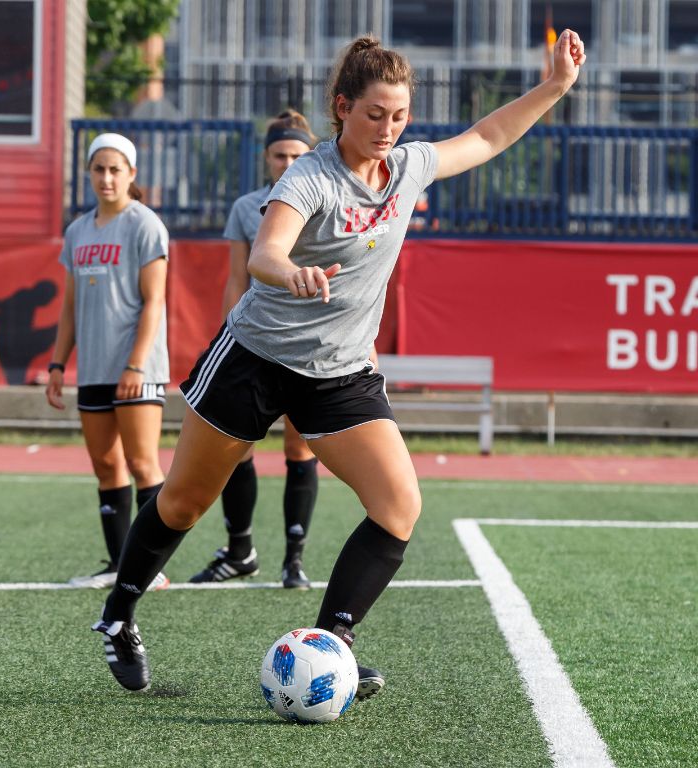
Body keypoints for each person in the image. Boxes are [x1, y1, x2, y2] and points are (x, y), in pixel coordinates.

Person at [90, 31, 586, 697]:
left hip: (341, 371)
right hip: (254, 359)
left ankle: (331, 645)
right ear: (342, 107)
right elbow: (267, 252)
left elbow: (489, 137)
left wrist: (554, 85)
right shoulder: (310, 175)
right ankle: (118, 617)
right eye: (375, 114)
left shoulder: (407, 168)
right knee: (181, 503)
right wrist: (288, 273)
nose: (388, 129)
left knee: (398, 505)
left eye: (400, 116)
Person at [188, 110, 320, 590]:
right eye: (281, 155)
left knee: (299, 445)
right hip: (257, 345)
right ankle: (241, 549)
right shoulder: (247, 208)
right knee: (235, 446)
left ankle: (295, 560)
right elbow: (236, 280)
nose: (288, 163)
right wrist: (226, 335)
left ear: (312, 155)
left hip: (310, 346)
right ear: (266, 158)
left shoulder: (325, 200)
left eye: (298, 155)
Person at [46, 133, 170, 592]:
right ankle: (120, 565)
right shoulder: (77, 232)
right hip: (94, 367)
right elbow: (70, 306)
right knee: (105, 464)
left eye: (116, 169)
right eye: (98, 169)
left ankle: (151, 566)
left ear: (131, 174)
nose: (106, 177)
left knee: (142, 462)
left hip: (137, 368)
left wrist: (136, 366)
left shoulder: (145, 224)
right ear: (89, 174)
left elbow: (154, 301)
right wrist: (59, 363)